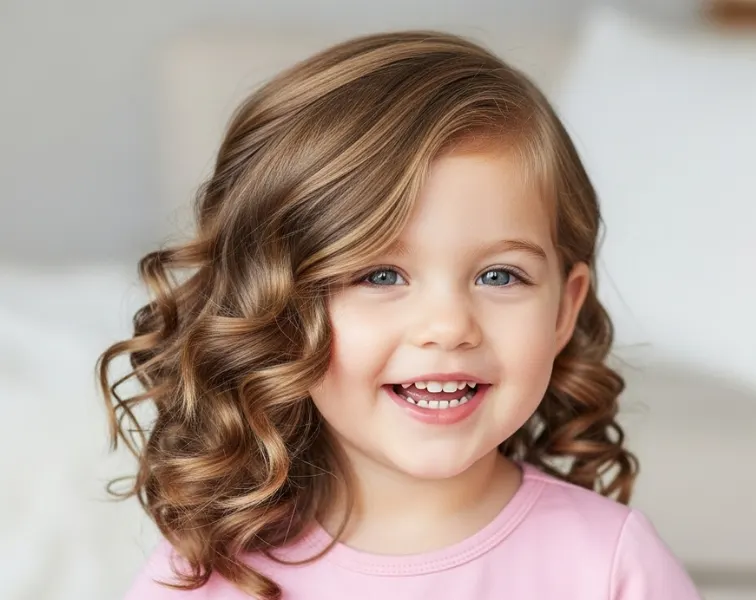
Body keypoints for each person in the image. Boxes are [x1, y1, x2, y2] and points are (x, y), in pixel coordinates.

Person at [98, 30, 702, 599]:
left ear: (564, 309)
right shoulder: (212, 573)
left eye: (499, 276)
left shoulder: (609, 563)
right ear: (276, 307)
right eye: (380, 275)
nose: (449, 327)